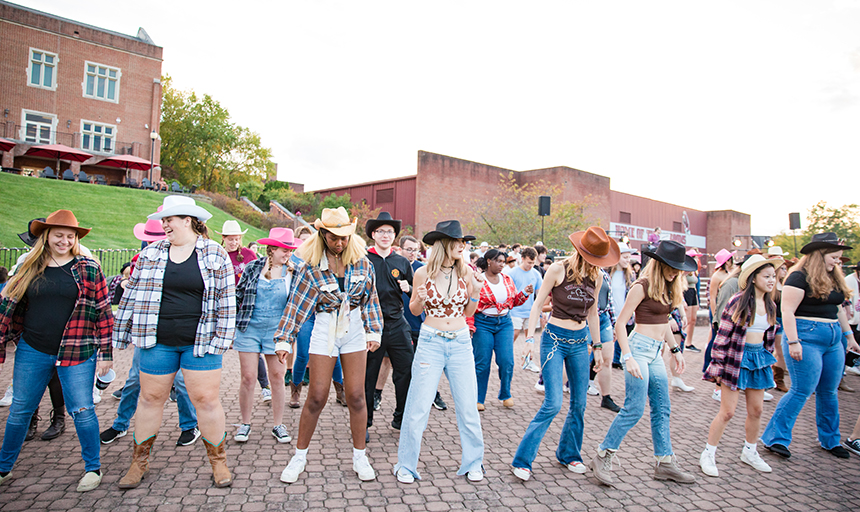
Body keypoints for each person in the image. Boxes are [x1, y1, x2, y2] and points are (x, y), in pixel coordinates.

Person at [113, 195, 235, 488]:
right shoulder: (150, 254)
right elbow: (131, 296)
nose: (164, 224)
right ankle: (138, 462)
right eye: (163, 220)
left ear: (188, 220)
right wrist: (120, 334)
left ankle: (219, 463)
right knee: (150, 399)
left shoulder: (215, 254)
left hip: (201, 343)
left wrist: (222, 339)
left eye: (169, 219)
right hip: (157, 342)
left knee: (206, 401)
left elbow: (227, 300)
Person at [0, 210, 113, 492]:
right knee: (20, 410)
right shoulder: (29, 265)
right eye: (59, 235)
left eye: (70, 236)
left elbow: (103, 312)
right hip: (33, 348)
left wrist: (106, 353)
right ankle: (4, 468)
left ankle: (93, 468)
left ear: (76, 238)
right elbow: (8, 302)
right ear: (46, 236)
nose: (64, 240)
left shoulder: (88, 267)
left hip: (77, 350)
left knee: (83, 410)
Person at [276, 207, 383, 483]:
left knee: (357, 396)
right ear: (322, 234)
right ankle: (299, 456)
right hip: (325, 326)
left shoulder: (362, 262)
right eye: (334, 237)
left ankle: (360, 456)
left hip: (355, 327)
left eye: (344, 237)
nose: (339, 243)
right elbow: (296, 306)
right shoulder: (310, 267)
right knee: (317, 395)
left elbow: (371, 300)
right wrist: (284, 339)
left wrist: (374, 332)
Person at [511, 227, 618, 481]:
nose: (596, 264)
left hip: (581, 342)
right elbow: (537, 304)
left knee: (580, 403)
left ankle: (569, 454)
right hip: (555, 339)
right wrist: (529, 338)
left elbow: (593, 314)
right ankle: (522, 460)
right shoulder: (558, 269)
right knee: (553, 403)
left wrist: (599, 347)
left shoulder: (598, 276)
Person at [589, 240, 698, 487]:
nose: (674, 272)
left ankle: (665, 463)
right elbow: (620, 324)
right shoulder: (642, 286)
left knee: (662, 407)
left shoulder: (670, 287)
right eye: (670, 266)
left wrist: (675, 349)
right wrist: (627, 357)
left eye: (678, 268)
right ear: (658, 264)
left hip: (656, 352)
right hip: (637, 349)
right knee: (634, 409)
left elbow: (664, 321)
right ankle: (603, 455)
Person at [393, 220, 486, 484]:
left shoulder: (466, 272)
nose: (463, 246)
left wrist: (476, 292)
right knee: (418, 407)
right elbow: (413, 311)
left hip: (459, 342)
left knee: (468, 407)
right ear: (445, 244)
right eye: (458, 242)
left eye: (464, 242)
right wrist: (419, 297)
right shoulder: (422, 272)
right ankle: (406, 465)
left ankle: (473, 463)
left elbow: (468, 312)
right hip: (431, 341)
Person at [100, 213, 200, 447]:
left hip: (178, 333)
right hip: (147, 333)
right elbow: (130, 292)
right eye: (149, 238)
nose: (153, 242)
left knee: (183, 383)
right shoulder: (143, 258)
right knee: (135, 380)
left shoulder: (187, 256)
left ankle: (189, 425)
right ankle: (120, 424)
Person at [760, 233, 860, 460]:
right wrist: (793, 341)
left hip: (834, 338)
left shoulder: (834, 277)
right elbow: (786, 311)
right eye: (834, 257)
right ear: (820, 254)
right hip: (806, 336)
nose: (838, 261)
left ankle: (830, 439)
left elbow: (839, 310)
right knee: (802, 390)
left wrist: (849, 337)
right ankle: (776, 438)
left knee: (829, 391)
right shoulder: (798, 276)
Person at [701, 255, 784, 476]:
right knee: (727, 412)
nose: (771, 280)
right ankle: (708, 454)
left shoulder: (771, 304)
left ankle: (750, 451)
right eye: (766, 276)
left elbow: (769, 337)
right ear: (753, 278)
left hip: (758, 360)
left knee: (756, 410)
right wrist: (717, 367)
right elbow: (722, 336)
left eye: (773, 276)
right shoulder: (737, 301)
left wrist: (768, 358)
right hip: (735, 358)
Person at [233, 228, 300, 444]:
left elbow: (297, 304)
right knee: (248, 377)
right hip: (249, 327)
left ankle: (278, 424)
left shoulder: (294, 272)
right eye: (284, 249)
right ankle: (244, 423)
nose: (288, 253)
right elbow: (238, 294)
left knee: (278, 377)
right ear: (271, 249)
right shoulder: (253, 267)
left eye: (290, 250)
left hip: (277, 331)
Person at [363, 212, 415, 432]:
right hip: (370, 327)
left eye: (390, 232)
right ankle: (364, 423)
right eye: (381, 231)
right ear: (373, 234)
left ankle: (401, 418)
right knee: (368, 376)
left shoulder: (402, 261)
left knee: (406, 372)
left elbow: (417, 294)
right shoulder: (364, 259)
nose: (385, 235)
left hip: (397, 324)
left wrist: (409, 288)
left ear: (395, 236)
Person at [217, 220, 271, 402]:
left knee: (253, 350)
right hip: (225, 304)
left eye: (237, 239)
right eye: (230, 239)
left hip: (245, 307)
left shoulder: (249, 255)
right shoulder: (219, 254)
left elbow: (260, 276)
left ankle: (265, 386)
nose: (234, 242)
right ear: (223, 239)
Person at [473, 249, 532, 409]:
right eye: (498, 261)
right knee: (483, 363)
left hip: (504, 323)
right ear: (489, 261)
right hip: (483, 323)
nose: (501, 265)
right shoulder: (478, 279)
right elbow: (471, 302)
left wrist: (524, 294)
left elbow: (513, 302)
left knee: (507, 361)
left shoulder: (506, 279)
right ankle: (478, 398)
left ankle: (505, 393)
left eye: (503, 262)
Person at [400, 235, 447, 411]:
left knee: (426, 363)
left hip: (419, 323)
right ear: (401, 249)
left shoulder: (423, 269)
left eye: (416, 250)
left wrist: (410, 289)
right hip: (397, 322)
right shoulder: (394, 266)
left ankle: (434, 394)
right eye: (409, 249)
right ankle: (377, 394)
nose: (412, 253)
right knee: (388, 362)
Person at [509, 248, 543, 374]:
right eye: (529, 262)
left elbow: (540, 294)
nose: (531, 265)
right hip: (515, 310)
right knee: (514, 335)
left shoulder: (536, 274)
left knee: (530, 337)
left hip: (530, 311)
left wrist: (541, 311)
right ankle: (505, 358)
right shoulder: (513, 273)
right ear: (522, 259)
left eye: (533, 263)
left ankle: (528, 361)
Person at [609, 243, 636, 368]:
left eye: (629, 257)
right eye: (625, 257)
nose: (628, 260)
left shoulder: (630, 276)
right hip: (610, 314)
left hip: (626, 313)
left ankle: (618, 360)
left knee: (624, 338)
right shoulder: (608, 274)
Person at [684, 249, 704, 352]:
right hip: (685, 292)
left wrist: (697, 300)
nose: (697, 259)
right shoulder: (685, 270)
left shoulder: (695, 270)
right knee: (686, 319)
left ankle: (689, 342)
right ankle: (682, 340)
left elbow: (696, 286)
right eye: (695, 257)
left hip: (692, 293)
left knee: (693, 319)